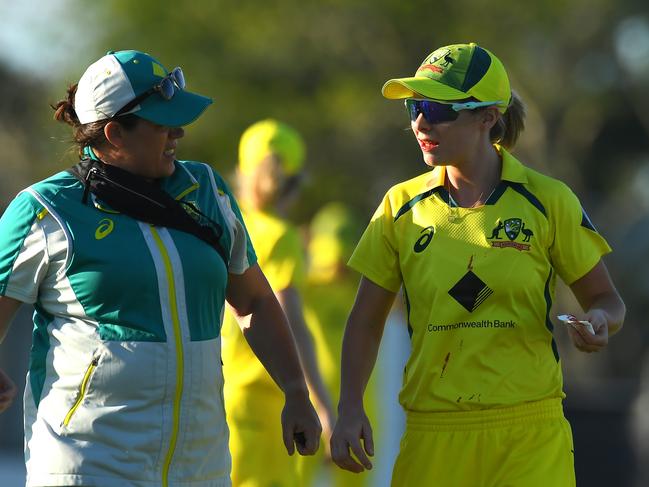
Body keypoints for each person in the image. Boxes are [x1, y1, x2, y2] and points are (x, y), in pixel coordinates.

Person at [0, 50, 321, 487]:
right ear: (114, 133)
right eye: (162, 123)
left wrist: (296, 389)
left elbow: (256, 301)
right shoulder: (45, 209)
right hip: (88, 463)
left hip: (199, 463)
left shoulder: (207, 191)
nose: (179, 132)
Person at [330, 42, 626, 487]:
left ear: (488, 117)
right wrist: (350, 407)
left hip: (530, 434)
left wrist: (600, 320)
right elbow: (366, 321)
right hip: (434, 436)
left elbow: (607, 300)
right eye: (414, 106)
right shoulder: (399, 207)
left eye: (438, 108)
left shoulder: (548, 200)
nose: (420, 122)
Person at [221, 119, 335, 487]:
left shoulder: (228, 224)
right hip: (272, 404)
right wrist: (322, 404)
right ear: (294, 183)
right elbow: (293, 325)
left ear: (243, 172)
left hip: (226, 397)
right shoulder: (282, 237)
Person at [297, 202, 378, 487]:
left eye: (341, 259)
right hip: (311, 405)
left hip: (356, 408)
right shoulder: (307, 286)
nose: (335, 268)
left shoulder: (364, 290)